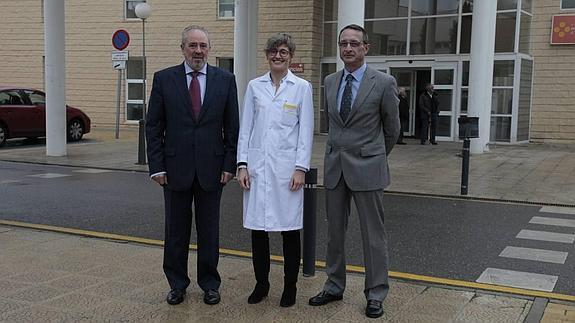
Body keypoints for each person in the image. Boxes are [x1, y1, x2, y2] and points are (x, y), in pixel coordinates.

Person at [308, 24, 400, 319]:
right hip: (336, 168)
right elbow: (334, 124)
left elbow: (392, 129)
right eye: (343, 43)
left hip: (369, 168)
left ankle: (376, 293)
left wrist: (374, 156)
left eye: (354, 44)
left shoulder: (383, 82)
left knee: (373, 236)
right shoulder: (331, 80)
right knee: (335, 234)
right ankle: (334, 286)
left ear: (365, 48)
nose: (348, 48)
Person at [146, 25, 239, 306]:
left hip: (213, 170)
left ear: (209, 49)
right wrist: (157, 167)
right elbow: (153, 126)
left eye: (203, 46)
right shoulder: (164, 79)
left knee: (209, 231)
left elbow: (232, 127)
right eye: (193, 45)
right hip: (174, 170)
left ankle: (210, 284)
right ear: (183, 48)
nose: (198, 51)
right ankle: (177, 284)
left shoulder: (226, 79)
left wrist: (229, 164)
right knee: (175, 232)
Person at [236, 33, 314, 308]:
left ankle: (290, 286)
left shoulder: (301, 87)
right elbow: (246, 128)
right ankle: (262, 284)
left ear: (290, 56)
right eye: (273, 52)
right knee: (259, 230)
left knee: (290, 230)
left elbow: (305, 131)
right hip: (258, 169)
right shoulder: (255, 86)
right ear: (267, 55)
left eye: (283, 52)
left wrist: (300, 168)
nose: (277, 56)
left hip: (287, 171)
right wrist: (242, 164)